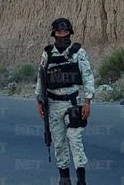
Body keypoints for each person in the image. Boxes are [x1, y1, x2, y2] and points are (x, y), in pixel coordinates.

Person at [35, 18, 95, 185]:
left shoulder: (78, 53)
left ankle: (81, 180)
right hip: (53, 105)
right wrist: (39, 100)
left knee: (75, 141)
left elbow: (88, 76)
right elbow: (41, 77)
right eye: (59, 32)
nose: (62, 35)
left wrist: (87, 102)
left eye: (65, 32)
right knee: (59, 143)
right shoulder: (47, 53)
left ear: (70, 32)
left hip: (73, 103)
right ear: (54, 34)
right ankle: (64, 179)